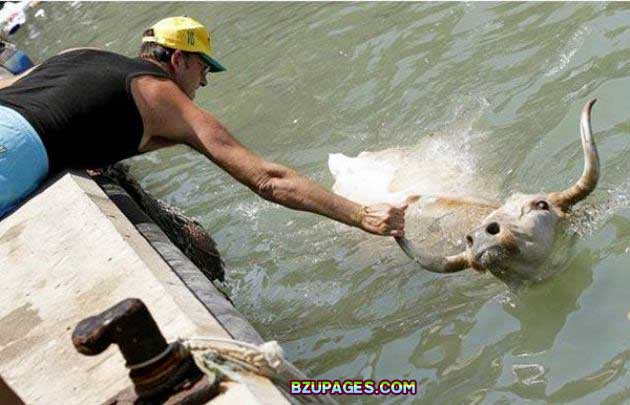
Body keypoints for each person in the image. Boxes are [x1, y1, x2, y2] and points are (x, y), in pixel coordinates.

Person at [0, 16, 414, 236]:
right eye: (203, 68)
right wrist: (361, 214)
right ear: (179, 60)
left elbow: (23, 91)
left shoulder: (81, 53)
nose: (204, 82)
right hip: (14, 152)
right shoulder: (162, 96)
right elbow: (268, 180)